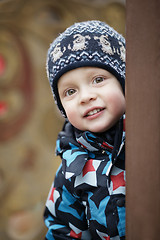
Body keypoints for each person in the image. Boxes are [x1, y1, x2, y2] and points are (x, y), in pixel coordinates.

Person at [44, 20, 126, 240]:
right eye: (70, 91)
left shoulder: (149, 138)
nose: (85, 97)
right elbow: (62, 228)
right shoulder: (72, 166)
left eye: (98, 79)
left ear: (124, 83)